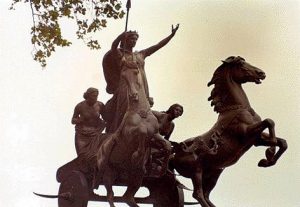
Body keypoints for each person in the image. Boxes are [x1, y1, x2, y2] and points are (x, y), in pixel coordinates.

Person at [103, 24, 180, 133]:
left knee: (144, 110)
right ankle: (117, 131)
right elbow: (113, 46)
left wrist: (171, 36)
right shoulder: (119, 54)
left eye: (135, 39)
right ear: (125, 40)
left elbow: (157, 46)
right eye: (131, 39)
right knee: (124, 110)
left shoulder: (141, 54)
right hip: (126, 85)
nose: (134, 41)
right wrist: (121, 35)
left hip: (141, 86)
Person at [72, 87, 106, 156]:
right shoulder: (80, 106)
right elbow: (73, 120)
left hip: (95, 133)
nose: (96, 98)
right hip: (82, 135)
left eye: (96, 96)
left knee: (95, 154)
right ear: (88, 96)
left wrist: (103, 125)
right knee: (82, 156)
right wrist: (79, 120)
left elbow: (106, 118)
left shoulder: (100, 105)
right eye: (93, 96)